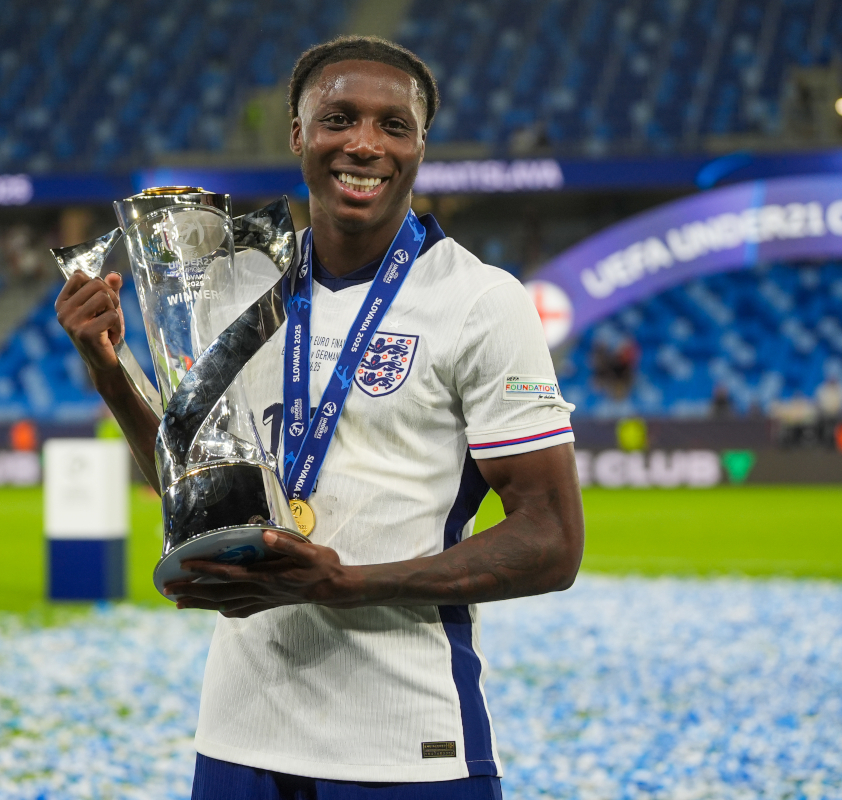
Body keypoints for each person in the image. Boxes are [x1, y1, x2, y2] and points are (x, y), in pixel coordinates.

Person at [54, 36, 584, 800]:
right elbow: (194, 485)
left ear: (420, 146)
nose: (364, 143)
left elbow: (552, 542)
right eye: (338, 118)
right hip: (238, 736)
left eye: (393, 126)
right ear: (299, 134)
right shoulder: (236, 281)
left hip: (405, 749)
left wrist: (343, 583)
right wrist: (110, 373)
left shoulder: (481, 301)